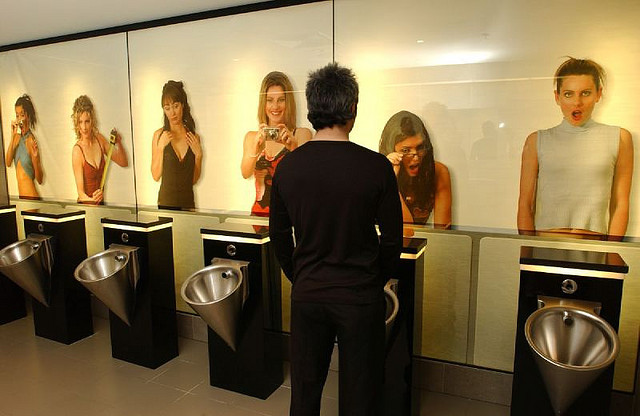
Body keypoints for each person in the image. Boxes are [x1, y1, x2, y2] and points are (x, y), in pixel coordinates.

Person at [269, 63, 403, 416]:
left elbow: (279, 236)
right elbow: (393, 239)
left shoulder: (288, 167)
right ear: (352, 108)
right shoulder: (376, 167)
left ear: (312, 108)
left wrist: (300, 275)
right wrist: (373, 279)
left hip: (309, 293)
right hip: (360, 297)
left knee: (305, 393)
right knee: (361, 396)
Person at [517, 57, 634, 240]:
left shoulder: (619, 138)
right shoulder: (537, 141)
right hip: (546, 245)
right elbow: (525, 204)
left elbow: (620, 203)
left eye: (585, 93)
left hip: (594, 246)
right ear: (557, 97)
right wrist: (527, 250)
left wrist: (612, 251)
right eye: (568, 94)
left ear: (598, 94)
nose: (577, 102)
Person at [241, 71, 312, 216]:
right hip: (259, 217)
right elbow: (245, 173)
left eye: (281, 100)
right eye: (269, 100)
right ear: (263, 103)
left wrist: (293, 148)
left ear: (288, 102)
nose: (275, 106)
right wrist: (255, 149)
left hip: (290, 216)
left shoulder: (301, 134)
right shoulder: (252, 137)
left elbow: (307, 178)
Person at [380, 110, 452, 229]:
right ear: (391, 150)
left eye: (420, 147)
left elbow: (443, 232)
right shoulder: (375, 174)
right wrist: (391, 182)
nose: (416, 158)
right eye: (405, 151)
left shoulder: (438, 172)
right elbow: (405, 231)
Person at [151, 80, 202, 210]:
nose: (172, 113)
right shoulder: (159, 135)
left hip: (188, 205)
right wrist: (160, 148)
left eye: (175, 106)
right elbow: (155, 176)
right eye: (167, 108)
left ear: (182, 105)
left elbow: (193, 180)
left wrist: (198, 156)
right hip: (166, 205)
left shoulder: (194, 137)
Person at [71, 95, 128, 205]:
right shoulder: (77, 151)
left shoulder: (100, 139)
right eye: (80, 122)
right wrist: (93, 201)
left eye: (87, 121)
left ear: (92, 120)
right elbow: (81, 194)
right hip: (85, 208)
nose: (84, 127)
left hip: (100, 206)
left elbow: (123, 162)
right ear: (76, 124)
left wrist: (119, 143)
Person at [5, 94, 43, 199]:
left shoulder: (31, 140)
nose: (19, 119)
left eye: (22, 115)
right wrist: (12, 137)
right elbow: (8, 162)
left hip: (32, 199)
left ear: (28, 116)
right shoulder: (16, 138)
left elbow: (40, 180)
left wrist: (36, 158)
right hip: (22, 200)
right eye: (17, 115)